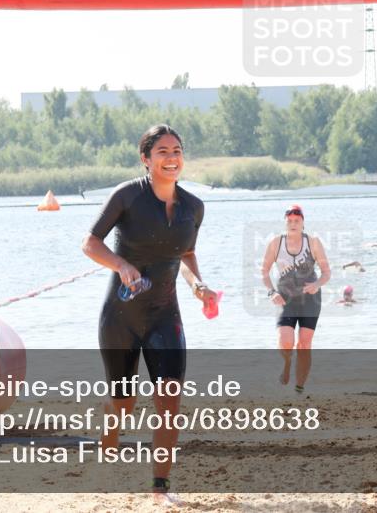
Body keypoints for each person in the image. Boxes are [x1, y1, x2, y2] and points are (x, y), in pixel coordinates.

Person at [80, 124, 216, 503]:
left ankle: (159, 488)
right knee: (123, 404)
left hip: (164, 316)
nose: (171, 158)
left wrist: (197, 286)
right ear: (146, 159)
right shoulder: (127, 196)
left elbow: (185, 255)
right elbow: (90, 242)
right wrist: (121, 265)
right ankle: (109, 436)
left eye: (176, 150)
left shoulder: (194, 207)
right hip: (120, 317)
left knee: (169, 399)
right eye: (162, 152)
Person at [261, 204, 331, 395]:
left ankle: (299, 388)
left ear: (302, 223)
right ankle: (286, 362)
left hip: (310, 300)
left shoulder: (314, 242)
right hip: (285, 299)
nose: (293, 224)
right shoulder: (276, 243)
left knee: (304, 344)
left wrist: (316, 284)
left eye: (297, 221)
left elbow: (326, 273)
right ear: (285, 223)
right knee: (286, 341)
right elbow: (264, 272)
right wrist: (271, 292)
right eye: (290, 221)